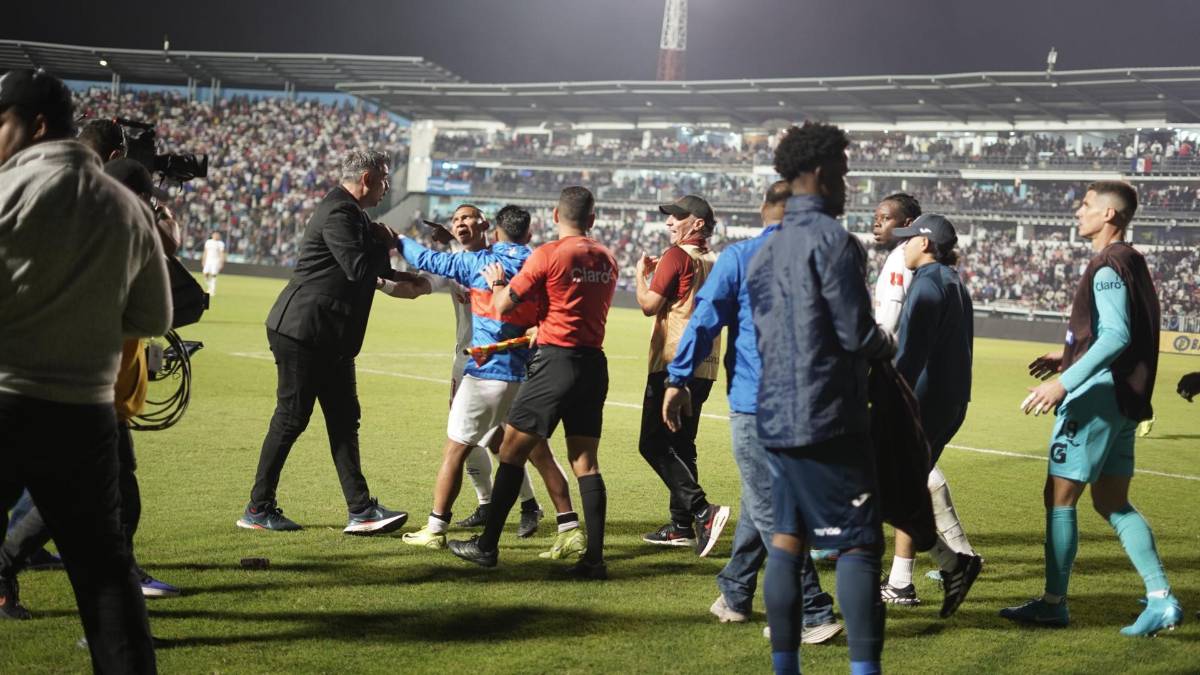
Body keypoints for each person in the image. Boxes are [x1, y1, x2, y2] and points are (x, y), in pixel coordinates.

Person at [0, 67, 165, 671]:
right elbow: (152, 312)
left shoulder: (6, 192)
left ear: (34, 124)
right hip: (87, 414)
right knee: (105, 575)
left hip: (7, 396)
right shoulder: (125, 204)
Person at [0, 159, 185, 613]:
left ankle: (109, 592)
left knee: (90, 496)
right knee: (95, 498)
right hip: (88, 394)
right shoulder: (119, 237)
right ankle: (103, 595)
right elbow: (163, 297)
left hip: (88, 391)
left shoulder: (89, 231)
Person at [745, 122, 895, 675]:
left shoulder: (763, 250)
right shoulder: (836, 242)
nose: (849, 183)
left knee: (786, 539)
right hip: (828, 416)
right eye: (846, 171)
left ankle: (785, 667)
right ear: (823, 172)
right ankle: (864, 670)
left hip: (774, 417)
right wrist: (888, 342)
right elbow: (857, 335)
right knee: (857, 544)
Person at [663, 180, 842, 644]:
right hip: (809, 406)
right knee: (761, 498)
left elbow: (704, 321)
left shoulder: (740, 259)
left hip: (756, 402)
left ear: (765, 209)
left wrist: (678, 379)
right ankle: (736, 592)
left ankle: (814, 613)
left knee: (769, 508)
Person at [1001, 181, 1183, 636]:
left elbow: (1117, 335)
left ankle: (1053, 603)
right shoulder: (1133, 261)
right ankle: (1160, 597)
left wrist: (1065, 381)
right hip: (1123, 400)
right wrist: (1065, 356)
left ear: (1109, 216)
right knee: (1112, 501)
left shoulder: (1106, 265)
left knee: (1059, 498)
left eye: (1085, 206)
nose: (1077, 213)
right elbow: (1124, 334)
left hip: (1096, 399)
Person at [238, 149, 427, 534]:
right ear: (368, 178)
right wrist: (385, 242)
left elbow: (370, 267)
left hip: (330, 337)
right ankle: (258, 508)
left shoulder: (352, 212)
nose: (388, 186)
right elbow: (358, 269)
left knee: (344, 420)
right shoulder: (340, 211)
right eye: (385, 179)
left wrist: (410, 278)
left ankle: (361, 510)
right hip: (304, 331)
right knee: (292, 418)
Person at [447, 186, 617, 580]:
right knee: (586, 462)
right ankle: (594, 559)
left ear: (556, 216)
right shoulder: (607, 259)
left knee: (511, 449)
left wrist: (494, 282)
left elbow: (505, 304)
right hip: (594, 364)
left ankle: (486, 546)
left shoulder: (547, 254)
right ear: (592, 219)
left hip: (555, 362)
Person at [395, 204, 580, 553]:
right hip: (526, 374)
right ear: (527, 234)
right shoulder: (540, 260)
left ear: (494, 230)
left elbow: (431, 261)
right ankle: (569, 527)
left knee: (455, 451)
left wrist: (397, 238)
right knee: (539, 452)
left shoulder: (480, 263)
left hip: (487, 372)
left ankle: (435, 528)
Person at [878, 214, 984, 613]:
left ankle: (944, 565)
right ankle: (908, 579)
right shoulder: (952, 281)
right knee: (905, 488)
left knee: (880, 487)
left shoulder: (926, 286)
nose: (901, 246)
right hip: (948, 401)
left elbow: (909, 357)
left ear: (924, 244)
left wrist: (885, 396)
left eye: (907, 240)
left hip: (922, 403)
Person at [635, 194, 730, 557]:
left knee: (653, 443)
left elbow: (648, 306)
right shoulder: (715, 260)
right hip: (705, 365)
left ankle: (703, 511)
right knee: (682, 444)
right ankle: (680, 526)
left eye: (677, 216)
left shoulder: (676, 256)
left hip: (673, 363)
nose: (670, 222)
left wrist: (640, 275)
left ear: (698, 223)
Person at [201, 231, 226, 296]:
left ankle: (212, 290)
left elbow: (222, 253)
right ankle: (210, 287)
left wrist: (222, 262)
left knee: (213, 275)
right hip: (208, 260)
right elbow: (205, 252)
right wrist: (203, 260)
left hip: (216, 261)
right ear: (212, 235)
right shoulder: (208, 242)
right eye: (215, 234)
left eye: (217, 234)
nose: (216, 235)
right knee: (205, 273)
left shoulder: (220, 243)